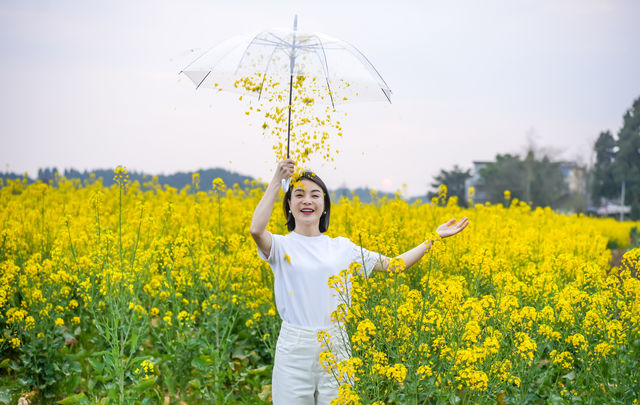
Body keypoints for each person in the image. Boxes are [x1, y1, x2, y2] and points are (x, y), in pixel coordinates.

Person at [250, 159, 469, 405]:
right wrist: (277, 181)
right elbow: (256, 230)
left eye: (315, 195)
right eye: (298, 195)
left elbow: (394, 265)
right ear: (289, 205)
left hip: (336, 342)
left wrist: (433, 238)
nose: (307, 201)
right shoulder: (280, 245)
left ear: (325, 205)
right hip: (294, 346)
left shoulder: (342, 247)